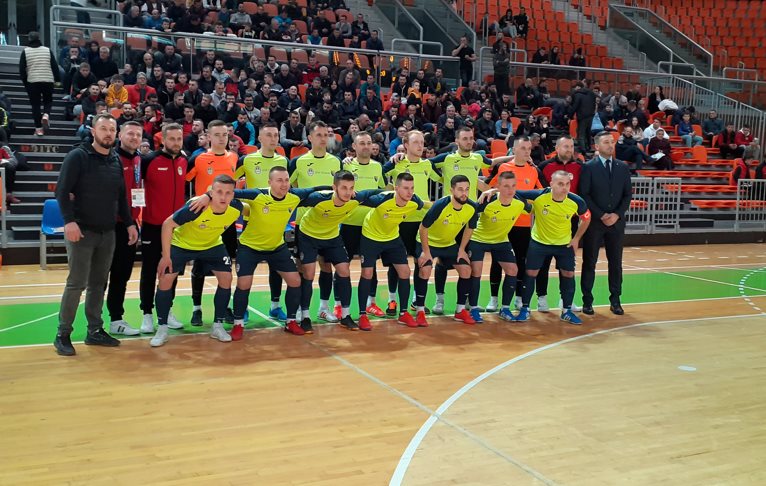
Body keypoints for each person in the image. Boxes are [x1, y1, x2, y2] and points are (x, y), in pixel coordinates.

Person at [53, 114, 139, 357]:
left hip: (107, 232)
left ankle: (94, 330)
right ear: (93, 131)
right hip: (82, 231)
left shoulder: (114, 159)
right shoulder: (78, 156)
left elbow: (120, 196)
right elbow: (61, 191)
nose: (108, 133)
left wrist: (130, 224)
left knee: (98, 284)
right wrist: (69, 221)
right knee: (76, 283)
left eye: (112, 129)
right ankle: (63, 334)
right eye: (104, 129)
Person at [150, 175, 243, 347]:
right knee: (165, 279)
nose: (223, 197)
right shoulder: (197, 207)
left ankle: (217, 326)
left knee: (226, 278)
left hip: (212, 245)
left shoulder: (237, 208)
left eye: (228, 193)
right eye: (219, 192)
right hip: (182, 244)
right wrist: (166, 256)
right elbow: (167, 224)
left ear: (233, 194)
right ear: (211, 192)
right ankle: (162, 328)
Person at [427, 127, 511, 314]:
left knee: (468, 261)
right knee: (442, 261)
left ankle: (466, 301)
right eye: (465, 138)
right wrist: (440, 178)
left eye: (471, 138)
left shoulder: (477, 158)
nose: (469, 141)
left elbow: (492, 162)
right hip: (448, 216)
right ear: (457, 141)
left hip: (470, 216)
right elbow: (425, 164)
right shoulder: (447, 158)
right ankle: (439, 299)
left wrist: (513, 157)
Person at [295, 171, 380, 331]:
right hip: (309, 235)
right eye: (344, 188)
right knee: (309, 273)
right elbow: (296, 196)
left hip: (332, 236)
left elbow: (374, 192)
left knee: (344, 270)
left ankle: (345, 316)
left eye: (351, 188)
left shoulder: (355, 199)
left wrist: (398, 193)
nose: (348, 192)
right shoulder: (319, 198)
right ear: (334, 187)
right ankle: (305, 316)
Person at [514, 171, 591, 324]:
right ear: (551, 184)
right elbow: (516, 193)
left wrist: (576, 239)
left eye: (567, 184)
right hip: (539, 242)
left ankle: (566, 311)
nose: (565, 187)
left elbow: (586, 218)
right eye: (560, 184)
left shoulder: (576, 201)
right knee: (531, 273)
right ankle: (525, 308)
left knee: (568, 274)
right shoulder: (540, 195)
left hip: (564, 244)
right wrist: (528, 208)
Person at [288, 121, 344, 326]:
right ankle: (301, 311)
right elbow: (289, 187)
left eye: (325, 135)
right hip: (305, 227)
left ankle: (323, 308)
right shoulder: (298, 162)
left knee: (326, 267)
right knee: (305, 270)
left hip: (329, 225)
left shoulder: (336, 162)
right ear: (309, 138)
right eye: (318, 135)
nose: (323, 138)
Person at [354, 173, 426, 330]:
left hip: (392, 237)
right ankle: (362, 315)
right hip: (371, 236)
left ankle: (404, 313)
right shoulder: (382, 199)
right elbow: (364, 197)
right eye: (406, 188)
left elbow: (426, 205)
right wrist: (355, 194)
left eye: (412, 188)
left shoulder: (414, 201)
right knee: (367, 273)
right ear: (396, 188)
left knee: (405, 272)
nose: (410, 192)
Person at [235, 122, 291, 321]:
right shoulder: (247, 160)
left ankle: (275, 306)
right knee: (247, 269)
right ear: (259, 138)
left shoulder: (283, 161)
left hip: (276, 221)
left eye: (276, 135)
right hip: (252, 220)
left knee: (276, 267)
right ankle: (242, 308)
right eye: (269, 135)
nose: (273, 138)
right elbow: (230, 182)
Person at [382, 131, 441, 316]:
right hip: (399, 221)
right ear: (406, 145)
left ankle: (416, 300)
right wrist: (390, 161)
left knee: (420, 261)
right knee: (396, 263)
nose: (420, 146)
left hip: (421, 223)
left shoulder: (427, 164)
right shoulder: (397, 163)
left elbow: (443, 177)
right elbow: (378, 173)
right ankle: (392, 300)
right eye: (416, 142)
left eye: (422, 142)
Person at [185, 120, 238, 325]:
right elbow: (184, 182)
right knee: (199, 266)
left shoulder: (234, 157)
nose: (221, 138)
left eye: (225, 134)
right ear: (208, 136)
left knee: (226, 266)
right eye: (217, 134)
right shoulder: (198, 159)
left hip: (227, 220)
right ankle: (196, 309)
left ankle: (225, 307)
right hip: (203, 221)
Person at [332, 132, 388, 319]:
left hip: (370, 226)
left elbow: (382, 190)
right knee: (342, 265)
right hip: (348, 224)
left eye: (369, 143)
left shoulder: (377, 167)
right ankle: (338, 304)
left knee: (370, 267)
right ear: (354, 147)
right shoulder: (346, 165)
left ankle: (371, 303)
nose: (366, 146)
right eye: (361, 143)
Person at [138, 123, 188, 333]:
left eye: (179, 139)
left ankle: (166, 311)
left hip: (176, 228)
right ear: (163, 140)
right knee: (150, 271)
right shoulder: (148, 160)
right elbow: (134, 186)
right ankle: (147, 314)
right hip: (152, 226)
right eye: (172, 139)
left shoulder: (184, 160)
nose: (176, 143)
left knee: (171, 270)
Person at [485, 137, 543, 312]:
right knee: (497, 261)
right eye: (523, 148)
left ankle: (518, 297)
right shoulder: (503, 167)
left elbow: (541, 193)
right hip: (503, 223)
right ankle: (494, 298)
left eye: (529, 148)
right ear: (514, 149)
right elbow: (490, 187)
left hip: (523, 224)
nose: (527, 151)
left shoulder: (533, 170)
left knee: (521, 261)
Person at [579, 131, 633, 316]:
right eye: (606, 142)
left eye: (612, 142)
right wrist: (601, 214)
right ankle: (587, 301)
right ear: (597, 146)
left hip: (616, 223)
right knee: (589, 262)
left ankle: (615, 300)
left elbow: (627, 195)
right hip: (595, 223)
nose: (611, 145)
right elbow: (584, 194)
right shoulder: (588, 167)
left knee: (616, 263)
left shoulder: (622, 167)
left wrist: (616, 214)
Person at [415, 175, 480, 326]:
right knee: (425, 270)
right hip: (428, 242)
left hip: (449, 244)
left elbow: (470, 228)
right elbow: (423, 228)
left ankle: (460, 310)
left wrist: (462, 249)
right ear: (451, 190)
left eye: (467, 189)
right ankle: (420, 311)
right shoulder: (441, 205)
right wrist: (426, 252)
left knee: (466, 270)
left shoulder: (471, 207)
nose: (464, 193)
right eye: (460, 189)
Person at [468, 171, 531, 322]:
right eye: (506, 186)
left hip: (500, 241)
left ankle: (505, 308)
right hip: (479, 239)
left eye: (513, 186)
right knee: (476, 271)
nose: (510, 190)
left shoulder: (520, 202)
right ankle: (473, 308)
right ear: (498, 186)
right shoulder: (488, 200)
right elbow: (470, 213)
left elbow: (533, 208)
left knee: (513, 270)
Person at [104, 121, 143, 336]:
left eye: (138, 134)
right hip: (109, 225)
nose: (134, 137)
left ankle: (116, 319)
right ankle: (95, 322)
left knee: (121, 275)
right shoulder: (110, 158)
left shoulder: (138, 159)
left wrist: (133, 222)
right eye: (130, 133)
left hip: (130, 226)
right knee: (101, 276)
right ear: (120, 135)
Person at [20, 32, 60, 137]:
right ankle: (46, 114)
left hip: (33, 81)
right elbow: (54, 66)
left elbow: (22, 70)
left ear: (29, 39)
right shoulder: (47, 50)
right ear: (39, 38)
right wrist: (57, 80)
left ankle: (39, 129)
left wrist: (26, 83)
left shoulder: (25, 51)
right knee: (48, 101)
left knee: (35, 105)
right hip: (48, 80)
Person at [571, 80, 597, 155]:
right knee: (588, 132)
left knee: (581, 134)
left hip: (582, 116)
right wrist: (592, 113)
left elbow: (575, 106)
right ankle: (589, 147)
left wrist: (570, 115)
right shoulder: (591, 93)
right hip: (590, 115)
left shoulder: (577, 94)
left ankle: (583, 150)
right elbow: (594, 104)